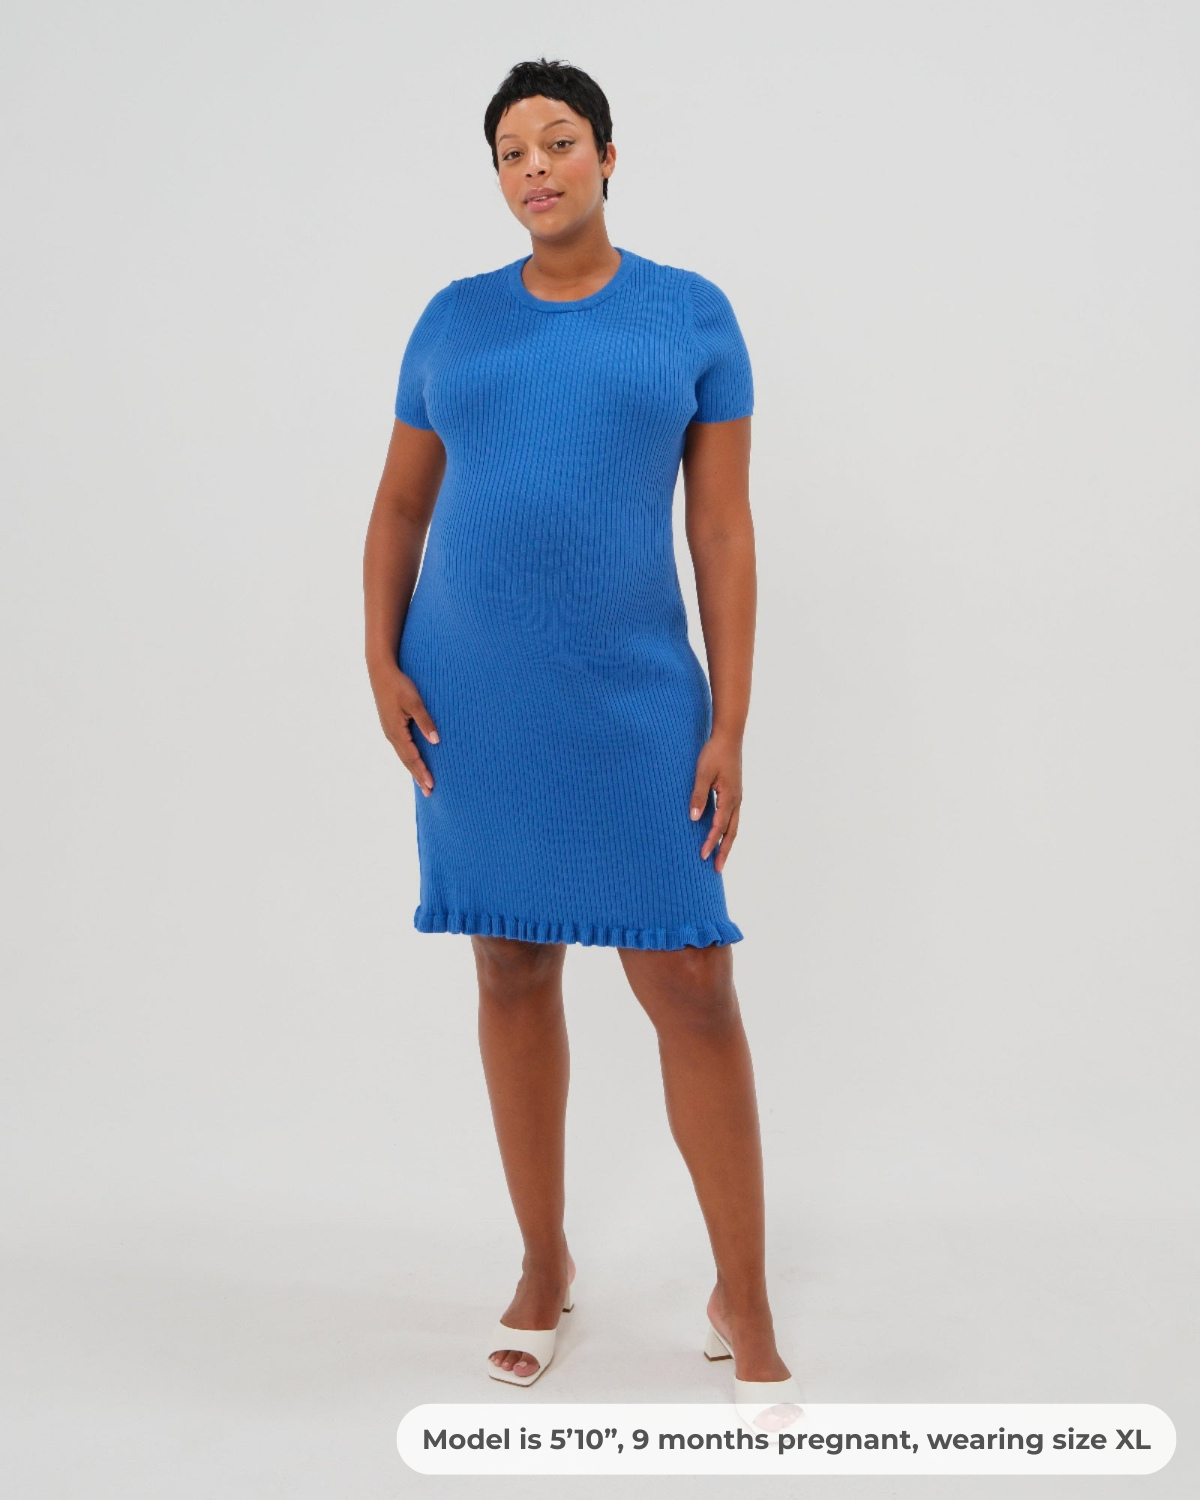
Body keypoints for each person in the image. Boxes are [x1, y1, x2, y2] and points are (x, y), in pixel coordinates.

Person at [363, 58, 800, 1430]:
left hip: (632, 701)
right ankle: (544, 1265)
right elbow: (399, 506)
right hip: (477, 701)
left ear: (608, 156)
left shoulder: (690, 314)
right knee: (509, 962)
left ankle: (745, 1298)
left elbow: (720, 528)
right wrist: (378, 661)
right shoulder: (454, 321)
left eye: (558, 142)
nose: (535, 168)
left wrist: (729, 719)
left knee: (691, 980)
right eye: (511, 151)